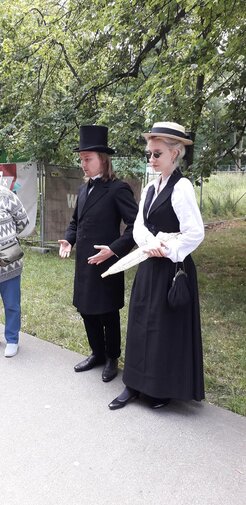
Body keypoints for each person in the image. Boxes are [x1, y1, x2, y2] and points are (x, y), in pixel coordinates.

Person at [109, 121, 205, 410]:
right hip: (149, 265)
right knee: (140, 323)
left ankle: (159, 388)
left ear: (175, 154)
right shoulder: (150, 188)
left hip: (172, 268)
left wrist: (167, 249)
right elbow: (138, 225)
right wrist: (148, 243)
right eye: (148, 154)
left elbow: (195, 232)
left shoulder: (183, 187)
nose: (150, 160)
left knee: (164, 328)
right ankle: (133, 384)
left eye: (156, 154)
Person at [59, 125, 138, 382]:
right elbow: (75, 222)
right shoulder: (84, 190)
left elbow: (136, 227)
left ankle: (112, 357)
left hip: (107, 262)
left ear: (102, 159)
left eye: (87, 159)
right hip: (85, 263)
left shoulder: (118, 189)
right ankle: (97, 353)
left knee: (107, 311)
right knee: (85, 308)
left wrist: (114, 250)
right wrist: (69, 241)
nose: (83, 164)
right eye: (81, 159)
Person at [0, 185, 29, 357]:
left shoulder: (6, 195)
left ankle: (12, 340)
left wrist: (7, 237)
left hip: (8, 262)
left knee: (11, 304)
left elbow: (23, 221)